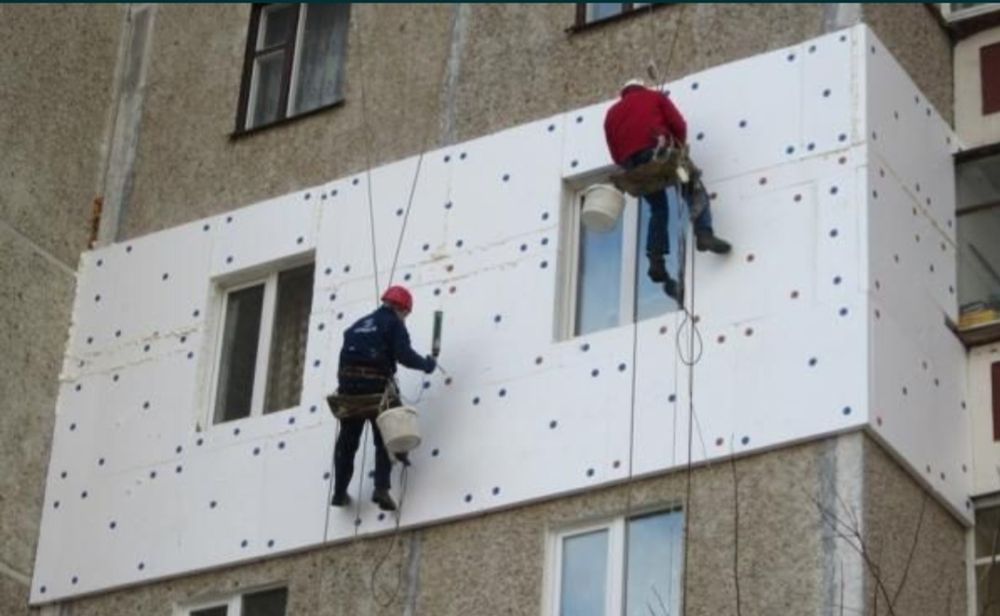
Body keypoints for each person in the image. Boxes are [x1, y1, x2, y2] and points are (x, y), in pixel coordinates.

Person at [604, 78, 731, 299]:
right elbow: (679, 125)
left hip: (633, 167)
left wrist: (628, 161)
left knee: (658, 210)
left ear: (622, 92)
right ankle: (704, 234)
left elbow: (614, 152)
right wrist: (679, 147)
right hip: (658, 152)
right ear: (642, 87)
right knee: (693, 187)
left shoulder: (611, 114)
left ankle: (656, 261)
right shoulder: (655, 97)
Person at [331, 285, 436, 511]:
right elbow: (405, 355)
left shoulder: (356, 326)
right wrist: (426, 365)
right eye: (406, 314)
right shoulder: (393, 324)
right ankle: (381, 488)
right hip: (375, 388)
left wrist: (345, 389)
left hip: (349, 392)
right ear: (401, 308)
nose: (405, 318)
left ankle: (339, 492)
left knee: (347, 442)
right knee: (386, 434)